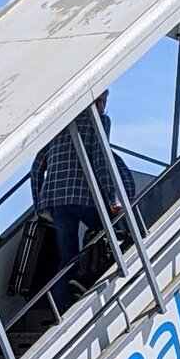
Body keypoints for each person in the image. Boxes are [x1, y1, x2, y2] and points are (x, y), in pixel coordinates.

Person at [30, 98, 118, 308]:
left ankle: (63, 308)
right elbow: (100, 159)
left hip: (56, 202)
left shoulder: (58, 125)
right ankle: (94, 280)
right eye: (104, 100)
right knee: (113, 234)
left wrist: (39, 206)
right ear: (98, 101)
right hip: (84, 197)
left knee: (66, 260)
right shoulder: (98, 120)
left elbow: (35, 169)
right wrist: (112, 196)